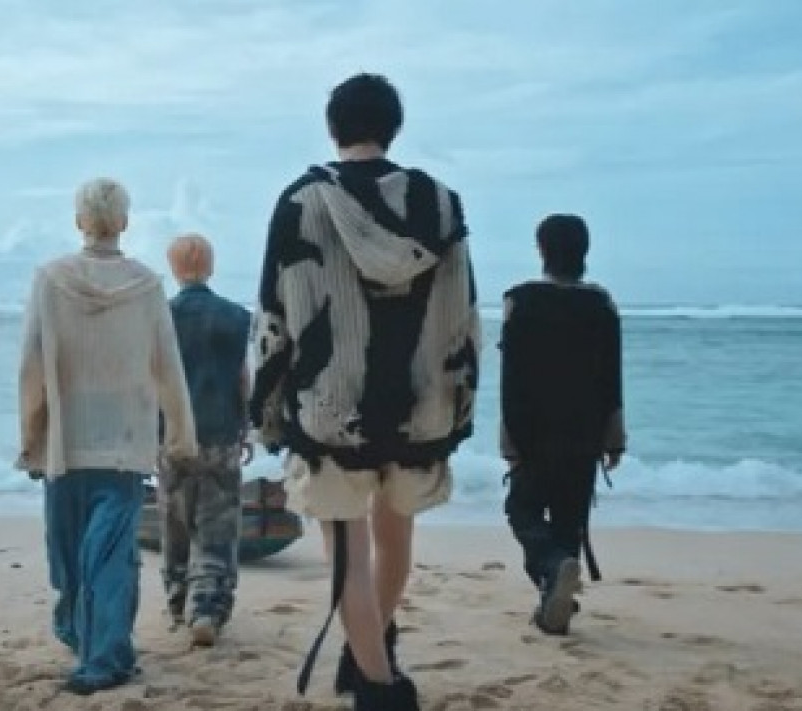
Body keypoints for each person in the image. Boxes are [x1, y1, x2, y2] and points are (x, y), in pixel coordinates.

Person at [250, 74, 480, 711]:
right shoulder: (439, 204)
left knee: (347, 554)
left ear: (333, 128)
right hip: (419, 406)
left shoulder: (301, 201)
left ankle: (379, 688)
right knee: (396, 541)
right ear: (393, 127)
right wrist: (458, 403)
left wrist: (266, 410)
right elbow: (463, 313)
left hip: (329, 408)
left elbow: (273, 317)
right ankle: (370, 654)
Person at [16, 178, 197, 695]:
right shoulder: (147, 285)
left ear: (80, 221)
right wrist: (181, 435)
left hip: (65, 439)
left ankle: (94, 649)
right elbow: (168, 365)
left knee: (70, 555)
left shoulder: (50, 279)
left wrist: (31, 434)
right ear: (124, 222)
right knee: (111, 556)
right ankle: (102, 650)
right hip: (124, 438)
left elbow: (31, 365)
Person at [499, 213, 627, 636]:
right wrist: (614, 438)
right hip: (584, 433)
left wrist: (509, 442)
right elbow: (612, 377)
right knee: (569, 521)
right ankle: (556, 602)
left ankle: (553, 571)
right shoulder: (602, 305)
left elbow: (512, 377)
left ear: (541, 250)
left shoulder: (519, 301)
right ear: (584, 251)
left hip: (532, 430)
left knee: (522, 511)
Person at [158, 233, 253, 647]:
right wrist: (245, 425)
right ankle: (207, 607)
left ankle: (179, 598)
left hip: (172, 434)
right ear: (210, 266)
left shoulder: (162, 317)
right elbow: (242, 379)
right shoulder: (236, 316)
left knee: (176, 521)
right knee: (218, 522)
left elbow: (153, 382)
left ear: (174, 268)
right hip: (220, 432)